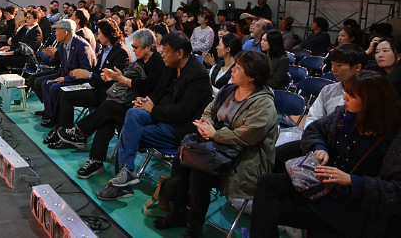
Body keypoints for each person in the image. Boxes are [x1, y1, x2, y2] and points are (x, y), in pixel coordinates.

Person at [251, 70, 401, 238]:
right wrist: (319, 147)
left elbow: (395, 191)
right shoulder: (344, 114)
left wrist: (351, 180)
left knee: (267, 210)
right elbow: (314, 130)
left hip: (351, 204)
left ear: (371, 103)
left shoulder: (393, 138)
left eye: (351, 96)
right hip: (321, 183)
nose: (345, 98)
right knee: (267, 185)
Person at [153, 50, 278, 236]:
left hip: (242, 160)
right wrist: (207, 126)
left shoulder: (264, 104)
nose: (232, 70)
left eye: (238, 68)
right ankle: (176, 212)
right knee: (182, 158)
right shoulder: (229, 90)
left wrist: (215, 134)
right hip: (217, 149)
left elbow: (247, 136)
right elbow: (208, 111)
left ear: (252, 76)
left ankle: (194, 227)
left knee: (199, 174)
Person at [96, 32, 212, 201]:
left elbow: (183, 111)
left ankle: (122, 184)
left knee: (128, 132)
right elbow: (158, 93)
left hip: (179, 129)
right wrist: (146, 101)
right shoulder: (171, 66)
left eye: (165, 51)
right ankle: (126, 174)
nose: (162, 55)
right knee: (133, 113)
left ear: (179, 53)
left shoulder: (198, 75)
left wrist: (152, 109)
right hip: (162, 117)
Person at [57, 29, 164, 177]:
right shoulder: (141, 60)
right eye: (133, 46)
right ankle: (94, 159)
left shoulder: (157, 63)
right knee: (106, 118)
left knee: (108, 108)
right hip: (129, 101)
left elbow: (146, 86)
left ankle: (82, 134)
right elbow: (130, 79)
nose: (133, 49)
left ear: (148, 47)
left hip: (142, 109)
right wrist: (114, 77)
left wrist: (120, 79)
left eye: (136, 47)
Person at [273, 44, 368, 172]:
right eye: (333, 64)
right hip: (319, 141)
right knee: (276, 156)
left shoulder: (366, 95)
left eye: (339, 65)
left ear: (357, 67)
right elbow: (313, 119)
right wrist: (316, 144)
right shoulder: (329, 90)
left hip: (343, 149)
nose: (333, 69)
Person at [42, 18, 129, 131]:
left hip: (106, 92)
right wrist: (88, 75)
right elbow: (96, 71)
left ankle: (64, 129)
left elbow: (110, 79)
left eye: (99, 33)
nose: (97, 37)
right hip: (95, 85)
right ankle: (58, 126)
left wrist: (89, 75)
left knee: (65, 95)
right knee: (63, 92)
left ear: (107, 35)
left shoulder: (120, 52)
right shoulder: (105, 49)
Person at [38, 19, 96, 126]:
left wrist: (65, 79)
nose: (55, 34)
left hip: (79, 81)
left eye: (57, 31)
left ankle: (56, 121)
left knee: (54, 88)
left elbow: (85, 72)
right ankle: (50, 115)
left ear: (65, 32)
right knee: (45, 84)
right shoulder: (62, 45)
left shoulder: (82, 46)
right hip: (66, 76)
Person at [0, 8, 42, 86]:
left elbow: (28, 49)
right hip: (20, 54)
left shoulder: (36, 32)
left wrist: (11, 52)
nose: (27, 19)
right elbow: (21, 45)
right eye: (27, 17)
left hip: (25, 58)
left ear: (36, 19)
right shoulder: (30, 29)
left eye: (29, 18)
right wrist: (9, 48)